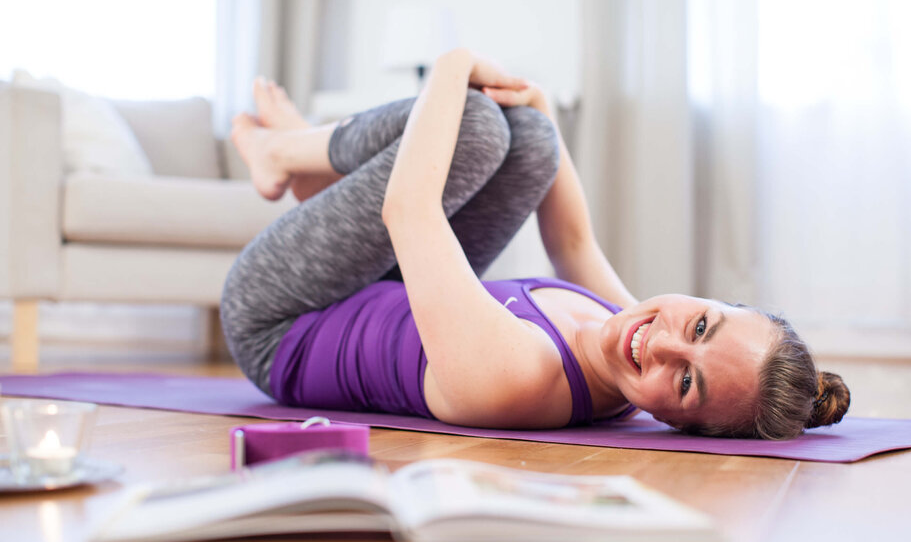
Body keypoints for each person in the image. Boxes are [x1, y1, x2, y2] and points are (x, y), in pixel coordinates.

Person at [221, 49, 850, 440]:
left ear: (677, 424)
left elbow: (407, 212)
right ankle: (301, 163)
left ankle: (283, 152)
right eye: (703, 325)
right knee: (529, 139)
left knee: (472, 123)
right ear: (709, 299)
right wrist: (542, 107)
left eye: (686, 384)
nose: (660, 344)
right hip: (370, 288)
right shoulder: (628, 332)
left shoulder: (517, 383)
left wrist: (452, 65)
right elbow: (573, 242)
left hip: (279, 321)